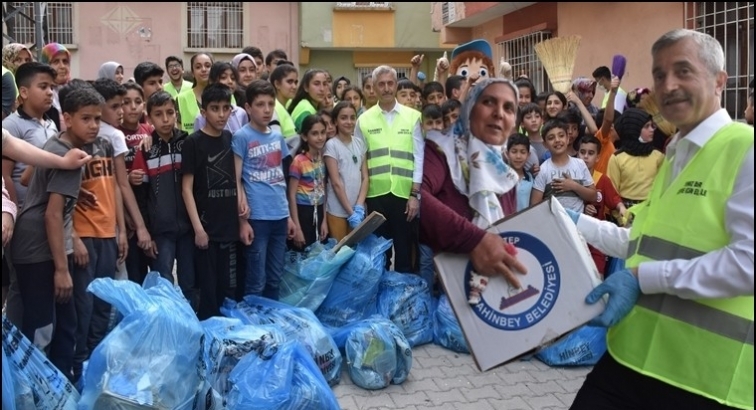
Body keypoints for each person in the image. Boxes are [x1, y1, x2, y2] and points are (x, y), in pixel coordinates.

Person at [570, 29, 754, 410]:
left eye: (683, 71)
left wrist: (642, 278)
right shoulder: (674, 155)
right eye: (659, 74)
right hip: (633, 357)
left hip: (704, 377)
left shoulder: (745, 149)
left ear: (720, 80)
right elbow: (639, 239)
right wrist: (568, 222)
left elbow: (748, 264)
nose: (668, 85)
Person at [11, 87, 104, 380]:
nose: (93, 126)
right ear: (66, 118)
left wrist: (73, 195)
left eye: (97, 119)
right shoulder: (71, 156)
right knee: (44, 328)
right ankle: (37, 390)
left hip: (33, 239)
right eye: (85, 119)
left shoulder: (55, 142)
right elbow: (52, 214)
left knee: (64, 323)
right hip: (40, 247)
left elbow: (29, 176)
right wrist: (61, 270)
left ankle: (59, 387)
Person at [420, 77, 527, 288]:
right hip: (457, 278)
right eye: (488, 103)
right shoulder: (440, 151)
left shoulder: (502, 166)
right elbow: (417, 199)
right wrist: (474, 240)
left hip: (499, 275)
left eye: (508, 108)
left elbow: (509, 220)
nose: (498, 114)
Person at [354, 65, 424, 273]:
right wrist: (362, 201)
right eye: (381, 84)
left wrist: (414, 195)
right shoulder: (363, 120)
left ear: (396, 85)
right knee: (379, 256)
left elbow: (419, 157)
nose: (386, 88)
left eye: (390, 83)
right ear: (374, 88)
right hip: (375, 196)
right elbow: (360, 162)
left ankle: (401, 301)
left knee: (404, 253)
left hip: (404, 196)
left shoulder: (413, 117)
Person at [182, 84, 242, 319]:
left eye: (226, 108)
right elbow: (186, 189)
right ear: (203, 111)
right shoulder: (193, 142)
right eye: (215, 109)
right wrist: (198, 229)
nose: (221, 114)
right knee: (208, 292)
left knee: (228, 288)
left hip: (229, 228)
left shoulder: (231, 138)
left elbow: (238, 180)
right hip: (206, 229)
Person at [131, 91, 196, 308]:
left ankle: (193, 327)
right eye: (159, 114)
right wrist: (146, 232)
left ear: (177, 114)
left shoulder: (188, 144)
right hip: (160, 232)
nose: (165, 119)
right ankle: (168, 327)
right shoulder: (147, 149)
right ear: (149, 118)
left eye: (170, 113)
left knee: (190, 283)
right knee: (163, 284)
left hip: (188, 230)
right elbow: (141, 196)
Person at [233, 80, 295, 300]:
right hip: (257, 218)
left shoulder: (278, 137)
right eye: (260, 104)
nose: (267, 109)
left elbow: (281, 178)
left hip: (279, 215)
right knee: (256, 280)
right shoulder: (242, 137)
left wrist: (288, 216)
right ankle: (254, 327)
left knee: (275, 278)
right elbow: (236, 178)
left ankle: (272, 327)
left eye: (270, 104)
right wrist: (242, 221)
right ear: (248, 108)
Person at [324, 101, 367, 241]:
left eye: (352, 117)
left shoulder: (360, 143)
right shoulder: (331, 145)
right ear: (335, 121)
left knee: (355, 253)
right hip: (337, 210)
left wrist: (359, 206)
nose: (349, 122)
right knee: (339, 254)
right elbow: (336, 183)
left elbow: (365, 178)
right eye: (343, 118)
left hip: (357, 209)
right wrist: (351, 212)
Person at [288, 114, 328, 250]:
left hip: (319, 211)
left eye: (323, 132)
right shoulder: (298, 161)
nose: (320, 137)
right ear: (305, 137)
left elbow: (323, 190)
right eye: (315, 133)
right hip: (302, 212)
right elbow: (292, 195)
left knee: (317, 253)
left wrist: (324, 221)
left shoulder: (322, 159)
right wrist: (297, 228)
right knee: (303, 252)